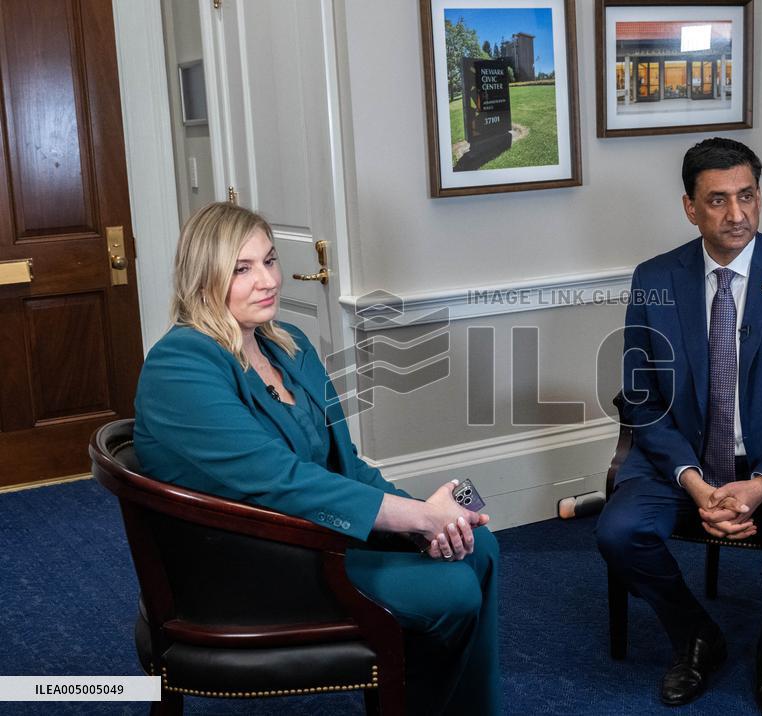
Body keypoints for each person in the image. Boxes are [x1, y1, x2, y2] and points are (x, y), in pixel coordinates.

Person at [133, 202, 500, 716]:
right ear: (201, 279)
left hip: (315, 536)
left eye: (269, 260)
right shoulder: (180, 365)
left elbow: (343, 465)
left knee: (477, 545)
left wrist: (426, 519)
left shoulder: (289, 345)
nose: (267, 280)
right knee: (452, 592)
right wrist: (419, 517)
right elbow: (281, 482)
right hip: (251, 565)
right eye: (242, 269)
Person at [597, 138, 762, 715]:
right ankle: (695, 634)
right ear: (690, 207)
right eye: (718, 201)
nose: (736, 215)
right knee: (618, 533)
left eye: (747, 196)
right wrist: (692, 478)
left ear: (760, 197)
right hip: (681, 460)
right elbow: (641, 398)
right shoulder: (655, 278)